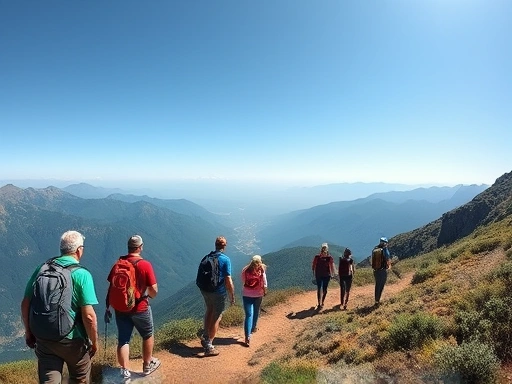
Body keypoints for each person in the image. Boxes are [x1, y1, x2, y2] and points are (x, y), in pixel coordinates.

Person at [20, 230, 99, 384]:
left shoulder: (41, 269)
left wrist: (29, 332)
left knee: (49, 380)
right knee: (79, 378)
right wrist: (94, 343)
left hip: (43, 337)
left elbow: (25, 303)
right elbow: (89, 317)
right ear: (78, 250)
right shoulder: (81, 274)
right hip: (72, 340)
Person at [105, 235, 160, 379]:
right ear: (140, 247)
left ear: (128, 247)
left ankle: (124, 370)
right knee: (147, 334)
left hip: (121, 307)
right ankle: (147, 365)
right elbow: (154, 290)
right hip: (140, 308)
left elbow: (112, 286)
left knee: (123, 339)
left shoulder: (118, 263)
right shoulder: (145, 265)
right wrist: (148, 295)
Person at [198, 236, 235, 356]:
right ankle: (209, 344)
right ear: (224, 246)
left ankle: (205, 335)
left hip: (205, 290)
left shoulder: (207, 256)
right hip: (218, 292)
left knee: (209, 310)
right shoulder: (225, 259)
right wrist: (232, 295)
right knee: (217, 316)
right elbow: (228, 279)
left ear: (215, 245)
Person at [241, 255, 267, 347]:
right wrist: (265, 291)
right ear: (260, 261)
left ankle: (247, 337)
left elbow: (243, 281)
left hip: (246, 294)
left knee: (248, 315)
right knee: (256, 311)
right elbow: (264, 282)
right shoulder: (261, 270)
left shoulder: (245, 269)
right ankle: (253, 327)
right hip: (258, 294)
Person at [312, 243, 335, 309]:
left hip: (320, 275)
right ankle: (321, 303)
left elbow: (313, 266)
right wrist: (332, 274)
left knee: (321, 289)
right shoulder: (329, 257)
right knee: (322, 289)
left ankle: (320, 303)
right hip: (325, 275)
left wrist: (314, 272)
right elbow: (332, 266)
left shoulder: (318, 257)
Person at [373, 237, 391, 306]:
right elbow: (388, 258)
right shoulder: (384, 249)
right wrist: (389, 267)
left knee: (377, 284)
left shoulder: (375, 249)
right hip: (382, 270)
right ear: (385, 243)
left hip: (375, 270)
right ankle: (378, 300)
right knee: (381, 285)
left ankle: (376, 300)